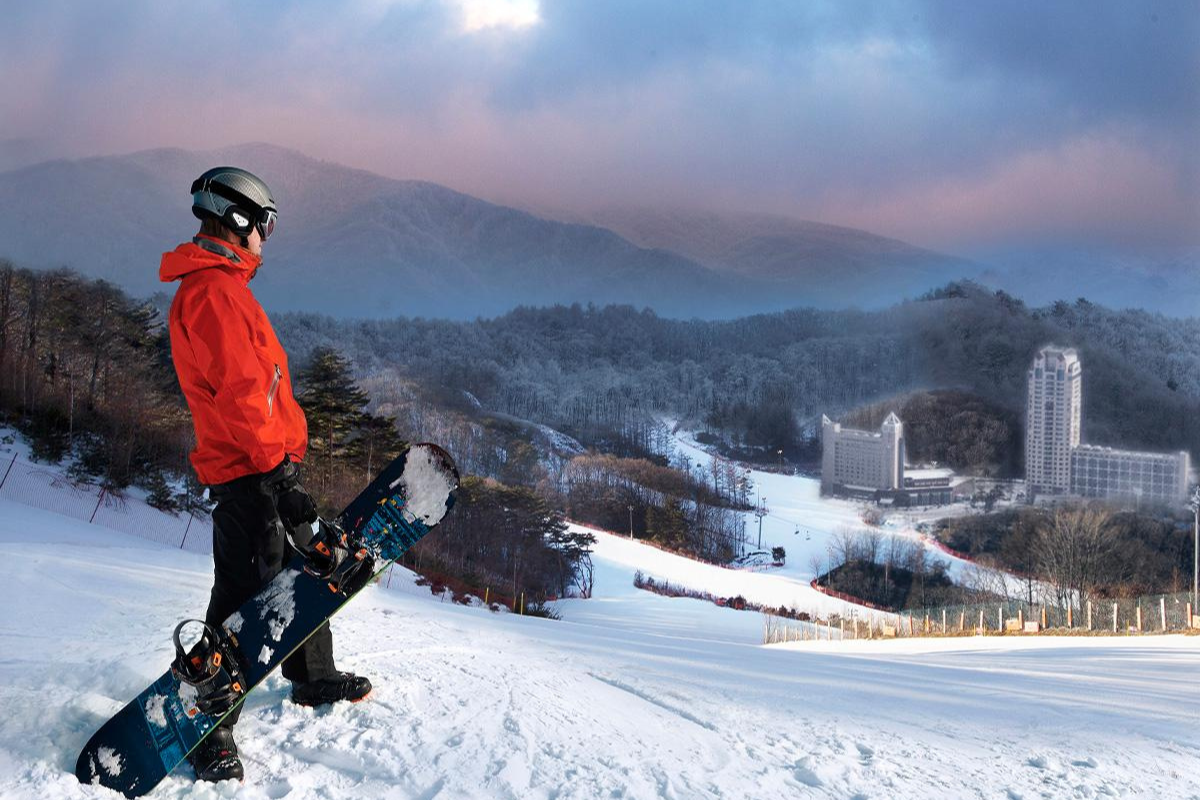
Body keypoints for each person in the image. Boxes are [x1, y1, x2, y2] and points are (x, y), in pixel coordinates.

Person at [159, 167, 371, 783]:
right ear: (241, 220)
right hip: (250, 470)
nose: (268, 238)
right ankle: (210, 725)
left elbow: (260, 389)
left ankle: (311, 676)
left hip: (265, 464)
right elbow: (244, 396)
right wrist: (278, 476)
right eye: (267, 225)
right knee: (243, 594)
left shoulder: (222, 286)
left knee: (303, 569)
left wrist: (284, 465)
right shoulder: (213, 294)